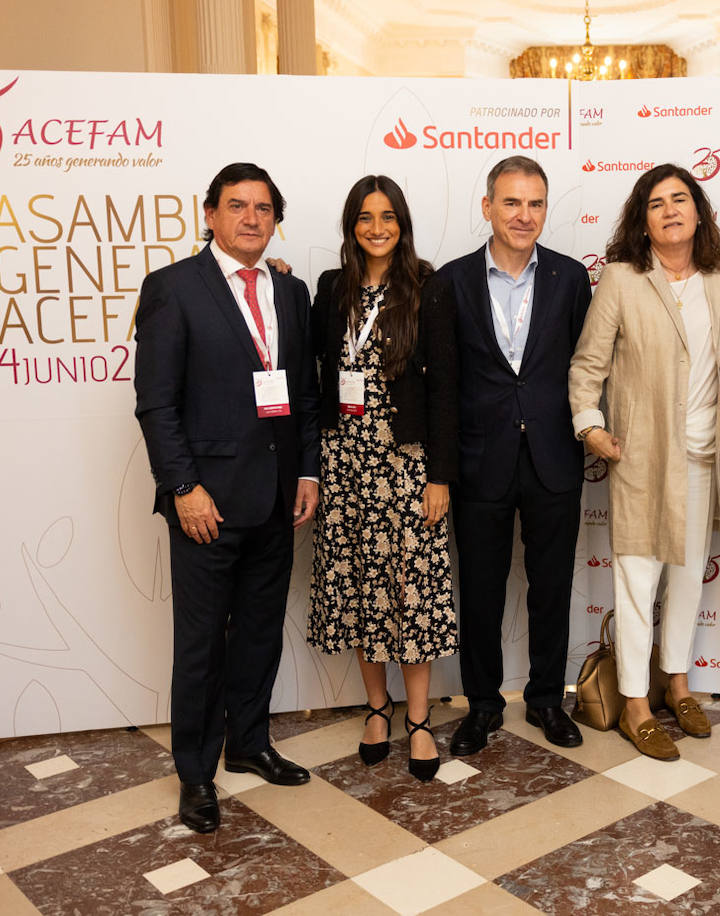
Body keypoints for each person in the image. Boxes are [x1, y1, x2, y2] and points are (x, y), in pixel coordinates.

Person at [134, 162, 319, 834]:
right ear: (208, 213)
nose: (251, 219)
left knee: (261, 635)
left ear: (275, 219)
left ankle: (249, 743)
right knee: (202, 645)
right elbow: (156, 404)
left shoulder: (290, 295)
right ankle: (195, 773)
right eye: (237, 206)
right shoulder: (173, 289)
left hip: (276, 499)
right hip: (205, 505)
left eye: (263, 208)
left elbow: (302, 395)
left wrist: (308, 473)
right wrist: (183, 487)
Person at [569, 164, 720, 760]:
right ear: (641, 220)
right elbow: (586, 366)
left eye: (681, 200)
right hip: (643, 458)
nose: (670, 210)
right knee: (636, 579)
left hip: (708, 456)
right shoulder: (622, 279)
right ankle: (635, 704)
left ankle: (677, 683)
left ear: (698, 212)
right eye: (657, 203)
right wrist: (589, 425)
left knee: (688, 577)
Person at [433, 155, 592, 756]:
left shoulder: (571, 279)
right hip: (480, 463)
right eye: (512, 203)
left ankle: (548, 699)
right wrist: (442, 472)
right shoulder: (449, 282)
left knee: (552, 586)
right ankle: (483, 704)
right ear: (487, 207)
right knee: (480, 589)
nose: (524, 216)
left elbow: (586, 369)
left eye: (535, 204)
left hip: (553, 458)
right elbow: (443, 386)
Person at [307, 175, 457, 782]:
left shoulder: (427, 284)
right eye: (365, 217)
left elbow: (447, 386)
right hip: (343, 463)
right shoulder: (329, 289)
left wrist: (439, 476)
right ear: (351, 225)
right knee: (365, 589)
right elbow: (307, 355)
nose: (377, 227)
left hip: (405, 464)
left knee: (411, 591)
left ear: (402, 222)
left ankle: (418, 720)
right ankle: (377, 709)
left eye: (388, 216)